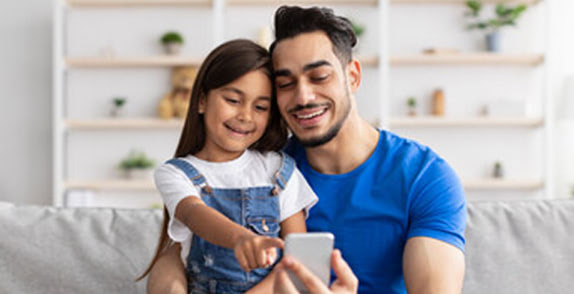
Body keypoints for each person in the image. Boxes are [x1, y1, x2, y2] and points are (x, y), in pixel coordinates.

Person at [147, 6, 467, 294]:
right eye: (285, 83)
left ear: (352, 76)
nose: (303, 97)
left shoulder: (423, 176)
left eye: (319, 77)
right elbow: (180, 250)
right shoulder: (266, 168)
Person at [139, 39, 318, 294]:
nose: (245, 116)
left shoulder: (279, 169)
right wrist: (241, 239)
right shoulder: (176, 173)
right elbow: (192, 212)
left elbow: (297, 258)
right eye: (233, 100)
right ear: (201, 101)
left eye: (260, 107)